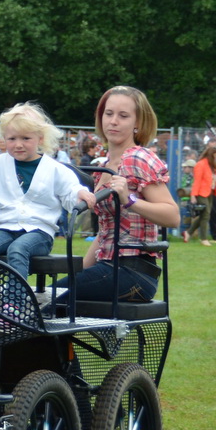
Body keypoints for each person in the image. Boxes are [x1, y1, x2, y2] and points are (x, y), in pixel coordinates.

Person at [61, 86, 178, 304]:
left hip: (133, 272)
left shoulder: (138, 159)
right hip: (107, 267)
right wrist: (75, 273)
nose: (113, 121)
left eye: (123, 116)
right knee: (48, 297)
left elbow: (172, 216)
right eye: (109, 113)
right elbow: (106, 232)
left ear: (138, 123)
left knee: (44, 301)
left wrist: (130, 200)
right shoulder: (103, 168)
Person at [0, 102, 92, 277]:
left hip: (39, 233)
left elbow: (70, 190)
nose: (18, 144)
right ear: (4, 139)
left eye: (25, 138)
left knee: (18, 250)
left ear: (40, 138)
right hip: (6, 228)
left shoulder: (55, 169)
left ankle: (16, 301)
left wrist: (80, 193)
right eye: (12, 139)